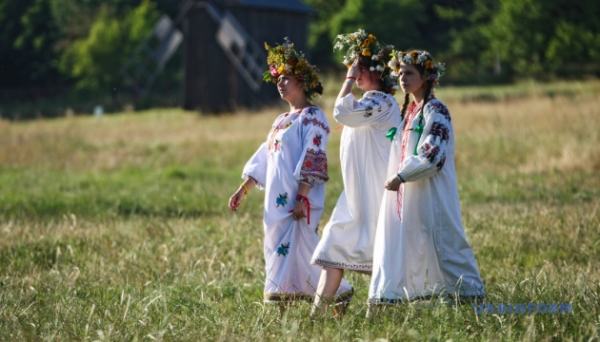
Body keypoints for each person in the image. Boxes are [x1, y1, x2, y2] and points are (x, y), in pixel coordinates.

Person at [228, 38, 353, 310]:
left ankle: (285, 305)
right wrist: (245, 187)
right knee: (283, 250)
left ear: (303, 82)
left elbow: (315, 156)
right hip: (275, 201)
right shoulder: (281, 121)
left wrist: (302, 197)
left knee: (302, 247)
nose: (281, 83)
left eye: (287, 78)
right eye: (278, 78)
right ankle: (335, 295)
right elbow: (266, 157)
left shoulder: (313, 117)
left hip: (298, 200)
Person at [368, 50, 485, 311]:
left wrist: (401, 176)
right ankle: (411, 303)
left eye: (409, 73)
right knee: (409, 245)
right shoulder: (409, 112)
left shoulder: (436, 109)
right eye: (400, 73)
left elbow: (433, 156)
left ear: (426, 77)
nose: (402, 78)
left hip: (431, 193)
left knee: (443, 243)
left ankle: (471, 304)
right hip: (408, 195)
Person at [310, 29, 402, 316]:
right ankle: (316, 318)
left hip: (375, 196)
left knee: (378, 259)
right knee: (334, 250)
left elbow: (340, 111)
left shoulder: (381, 102)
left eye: (360, 68)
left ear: (375, 71)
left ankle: (381, 318)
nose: (355, 72)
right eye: (354, 68)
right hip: (356, 194)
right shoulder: (370, 102)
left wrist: (348, 80)